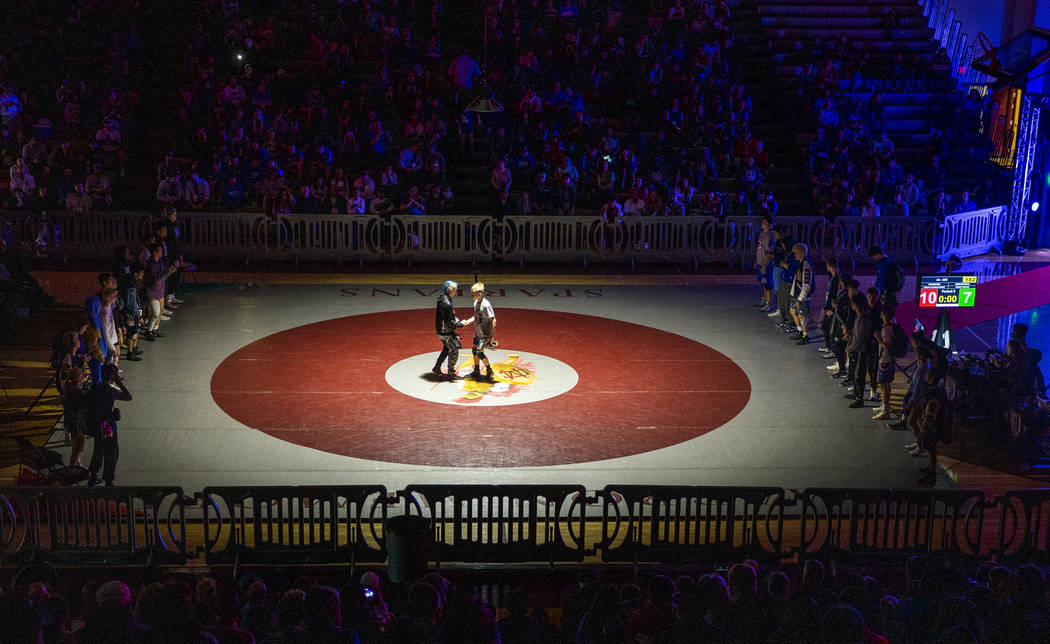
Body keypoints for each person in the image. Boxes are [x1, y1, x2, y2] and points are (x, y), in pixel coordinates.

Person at [86, 363, 132, 487]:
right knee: (111, 453)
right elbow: (128, 396)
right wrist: (119, 382)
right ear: (113, 376)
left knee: (98, 452)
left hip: (97, 426)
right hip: (108, 427)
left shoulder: (95, 388)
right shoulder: (110, 391)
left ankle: (93, 476)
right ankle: (108, 480)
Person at [433, 281, 471, 380]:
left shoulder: (441, 297)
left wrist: (456, 321)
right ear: (450, 290)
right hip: (445, 331)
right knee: (454, 350)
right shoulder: (447, 303)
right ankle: (451, 373)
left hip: (440, 328)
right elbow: (450, 322)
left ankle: (437, 367)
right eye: (455, 290)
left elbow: (447, 317)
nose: (456, 292)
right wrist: (461, 324)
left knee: (446, 348)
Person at [468, 282, 497, 382]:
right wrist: (467, 322)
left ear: (480, 294)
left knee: (479, 353)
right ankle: (476, 370)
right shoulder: (476, 303)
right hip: (477, 332)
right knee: (474, 351)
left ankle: (489, 370)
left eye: (473, 294)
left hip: (484, 335)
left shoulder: (486, 305)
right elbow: (476, 316)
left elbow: (493, 320)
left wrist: (491, 337)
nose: (472, 296)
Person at [789, 243, 814, 345]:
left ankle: (805, 335)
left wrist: (800, 299)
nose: (795, 255)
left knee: (801, 315)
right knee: (792, 311)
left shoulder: (806, 264)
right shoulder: (800, 263)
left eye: (796, 253)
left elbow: (806, 284)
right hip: (796, 294)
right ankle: (800, 331)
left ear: (802, 253)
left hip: (802, 296)